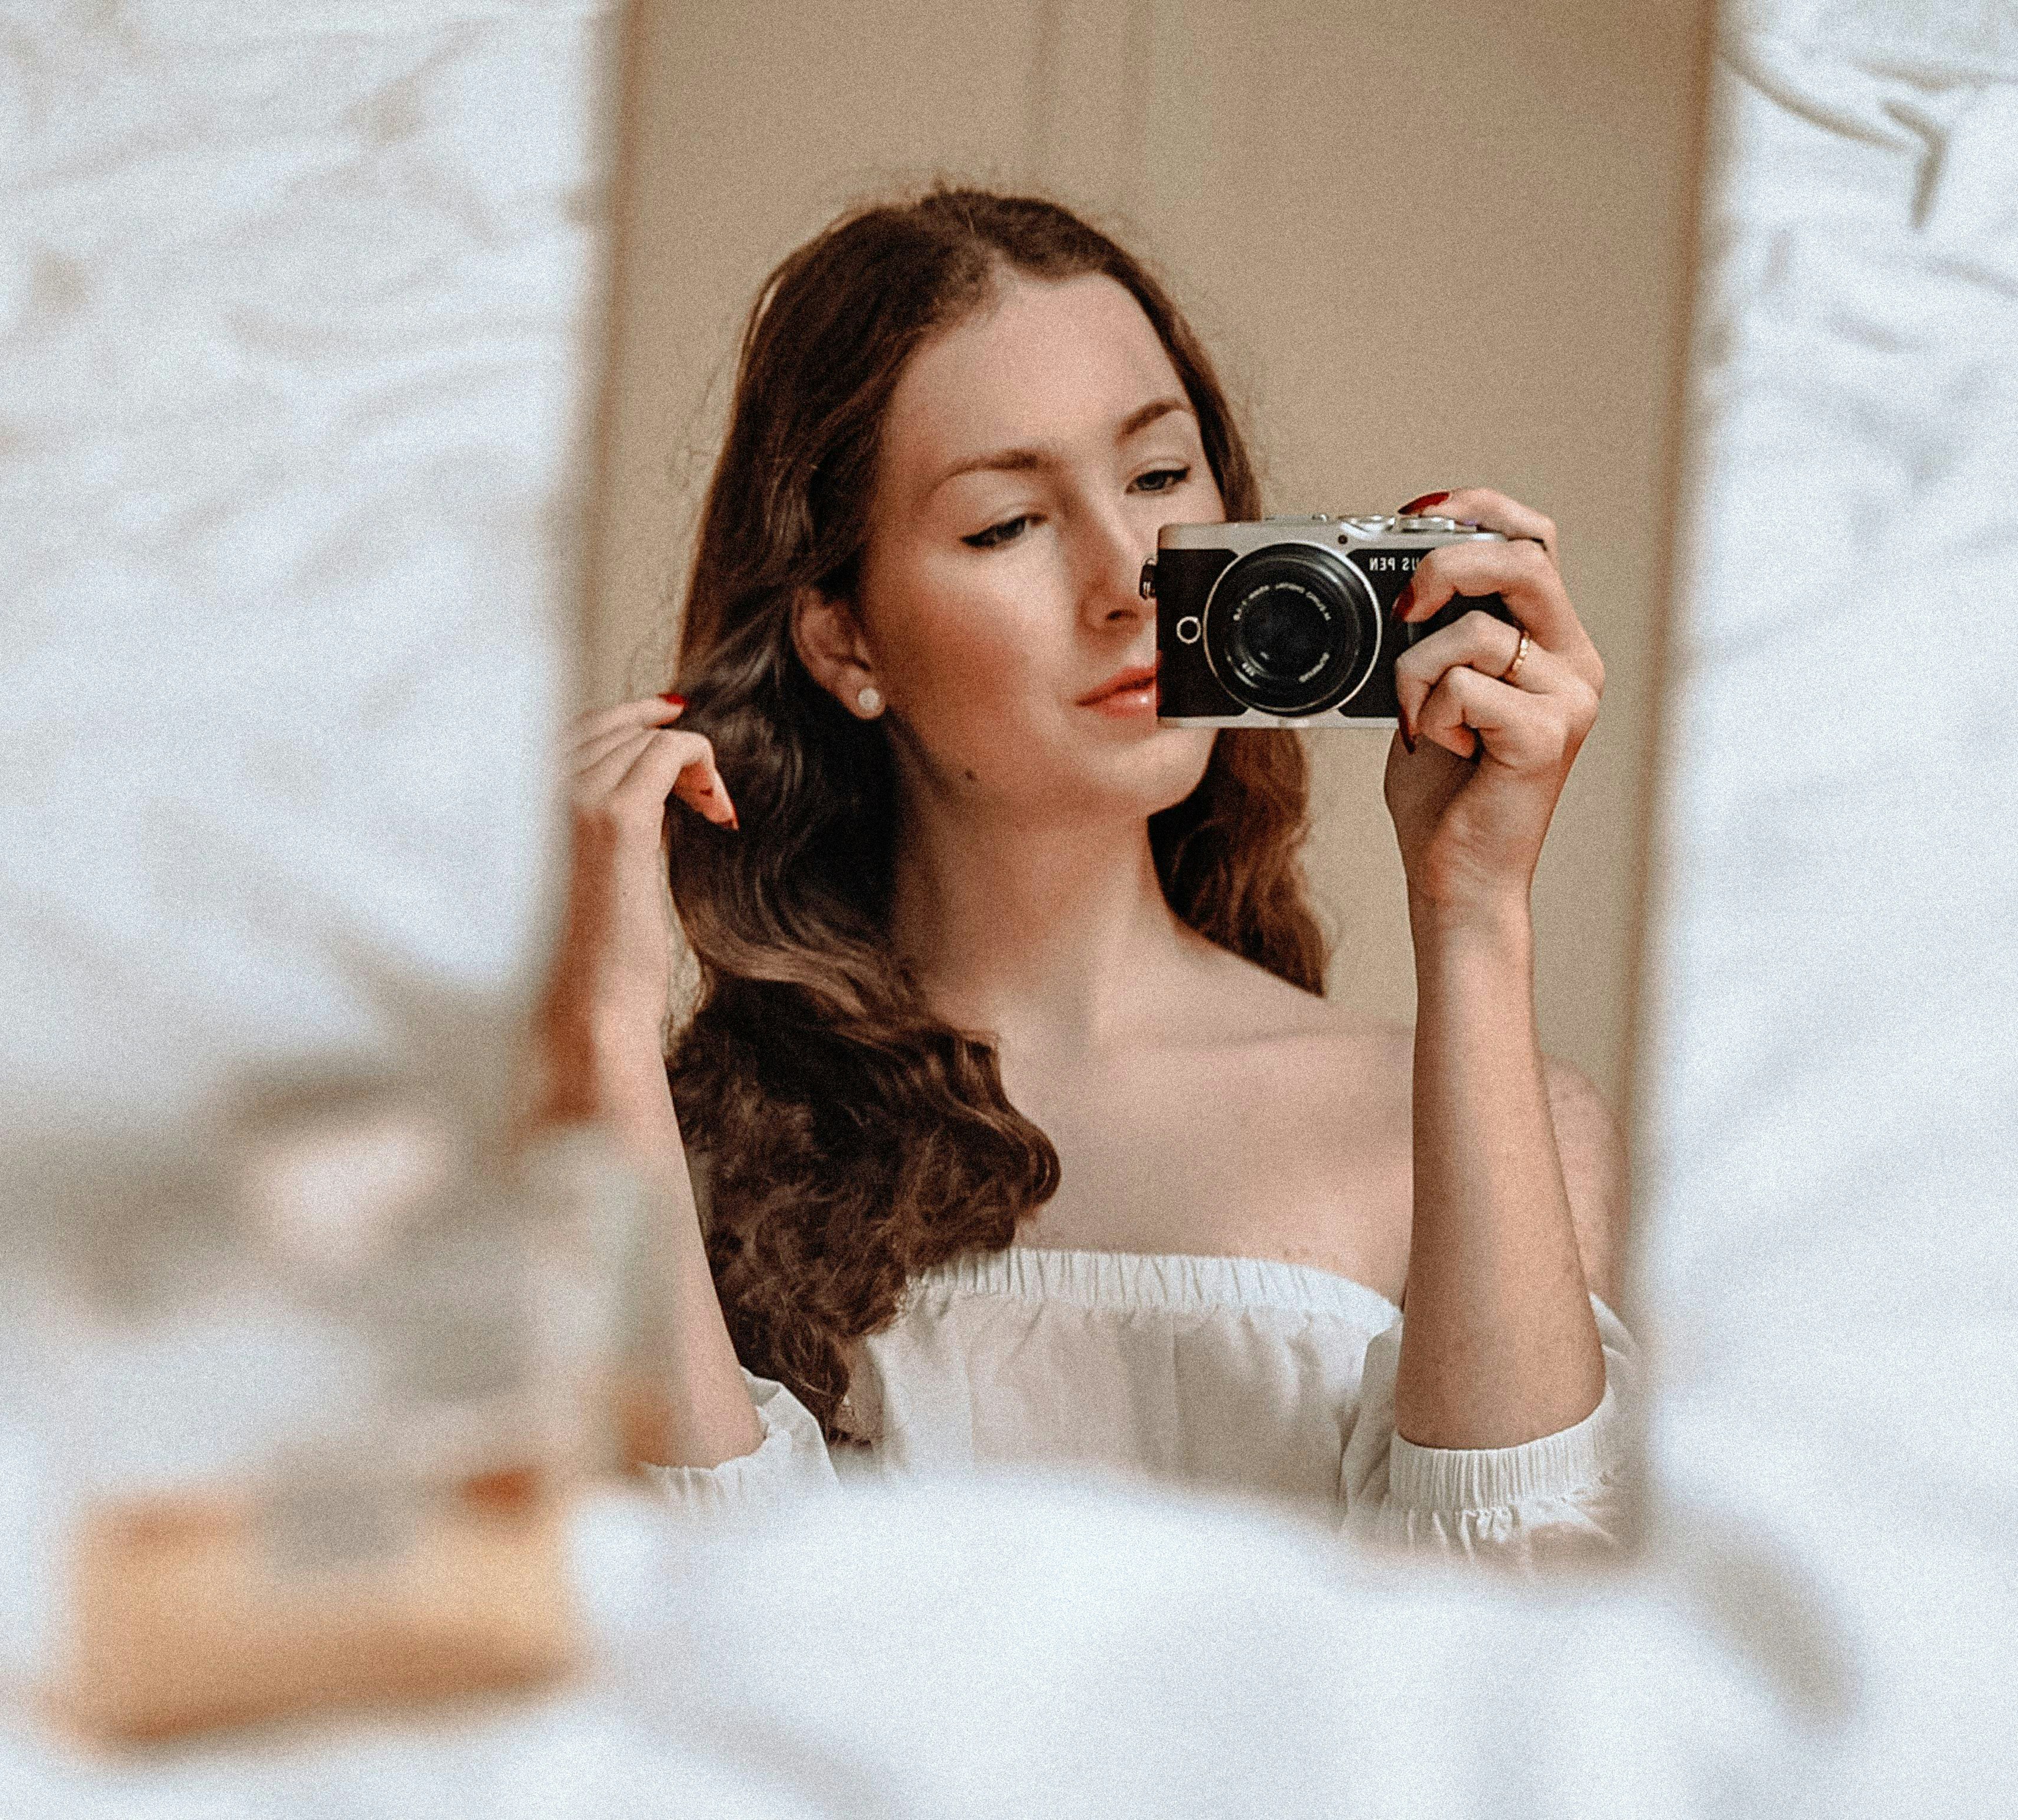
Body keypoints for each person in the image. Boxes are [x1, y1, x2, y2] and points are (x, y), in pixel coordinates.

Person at [536, 187, 1636, 1564]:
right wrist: (600, 1053)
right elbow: (682, 1636)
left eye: (1159, 478)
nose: (1131, 581)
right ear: (843, 640)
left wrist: (1472, 915)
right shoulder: (680, 1147)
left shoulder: (1490, 1122)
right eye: (1006, 524)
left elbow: (1518, 1638)